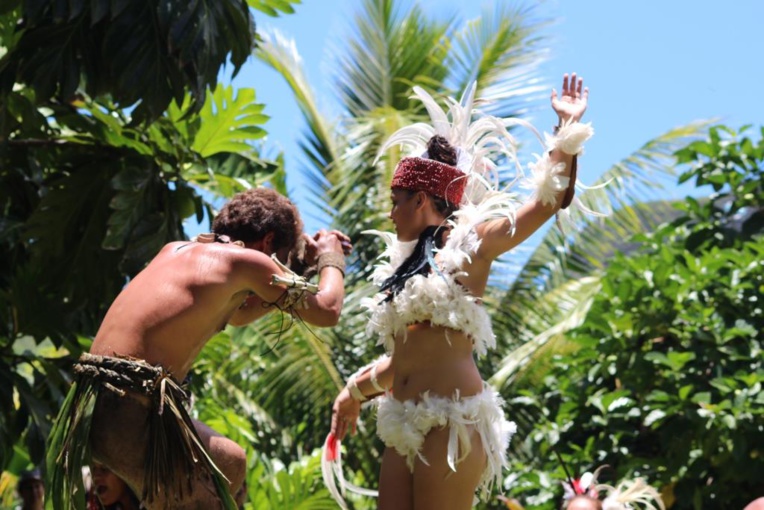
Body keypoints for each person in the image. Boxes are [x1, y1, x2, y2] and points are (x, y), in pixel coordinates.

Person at [323, 74, 597, 509]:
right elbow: (406, 361)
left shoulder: (473, 243)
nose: (390, 214)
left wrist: (567, 129)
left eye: (396, 201)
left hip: (452, 423)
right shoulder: (403, 268)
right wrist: (352, 393)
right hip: (401, 421)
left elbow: (547, 203)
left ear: (421, 201)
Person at [47, 187, 351, 509]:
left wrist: (301, 265)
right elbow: (328, 310)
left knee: (230, 462)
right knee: (212, 489)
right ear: (267, 242)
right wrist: (331, 257)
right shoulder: (247, 261)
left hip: (94, 408)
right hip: (128, 412)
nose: (278, 269)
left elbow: (240, 315)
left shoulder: (177, 250)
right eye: (281, 260)